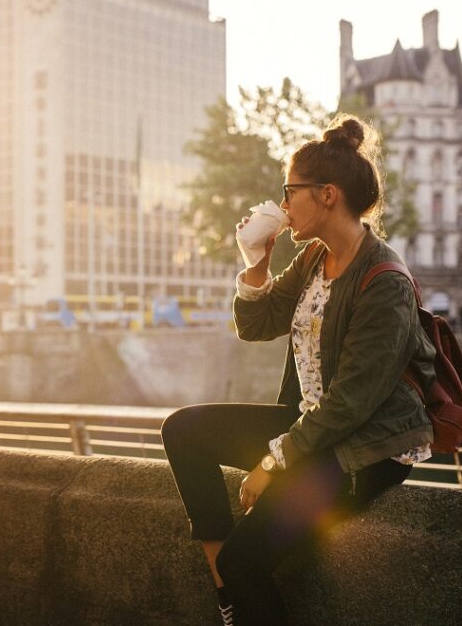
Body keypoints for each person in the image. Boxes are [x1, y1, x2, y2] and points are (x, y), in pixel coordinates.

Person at [161, 116, 436, 626]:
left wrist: (274, 461)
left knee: (247, 560)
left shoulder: (384, 281)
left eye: (290, 191)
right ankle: (228, 595)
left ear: (327, 195)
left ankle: (236, 589)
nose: (283, 205)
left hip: (364, 448)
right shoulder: (313, 256)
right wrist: (256, 265)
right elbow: (257, 323)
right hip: (313, 429)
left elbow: (352, 402)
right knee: (183, 430)